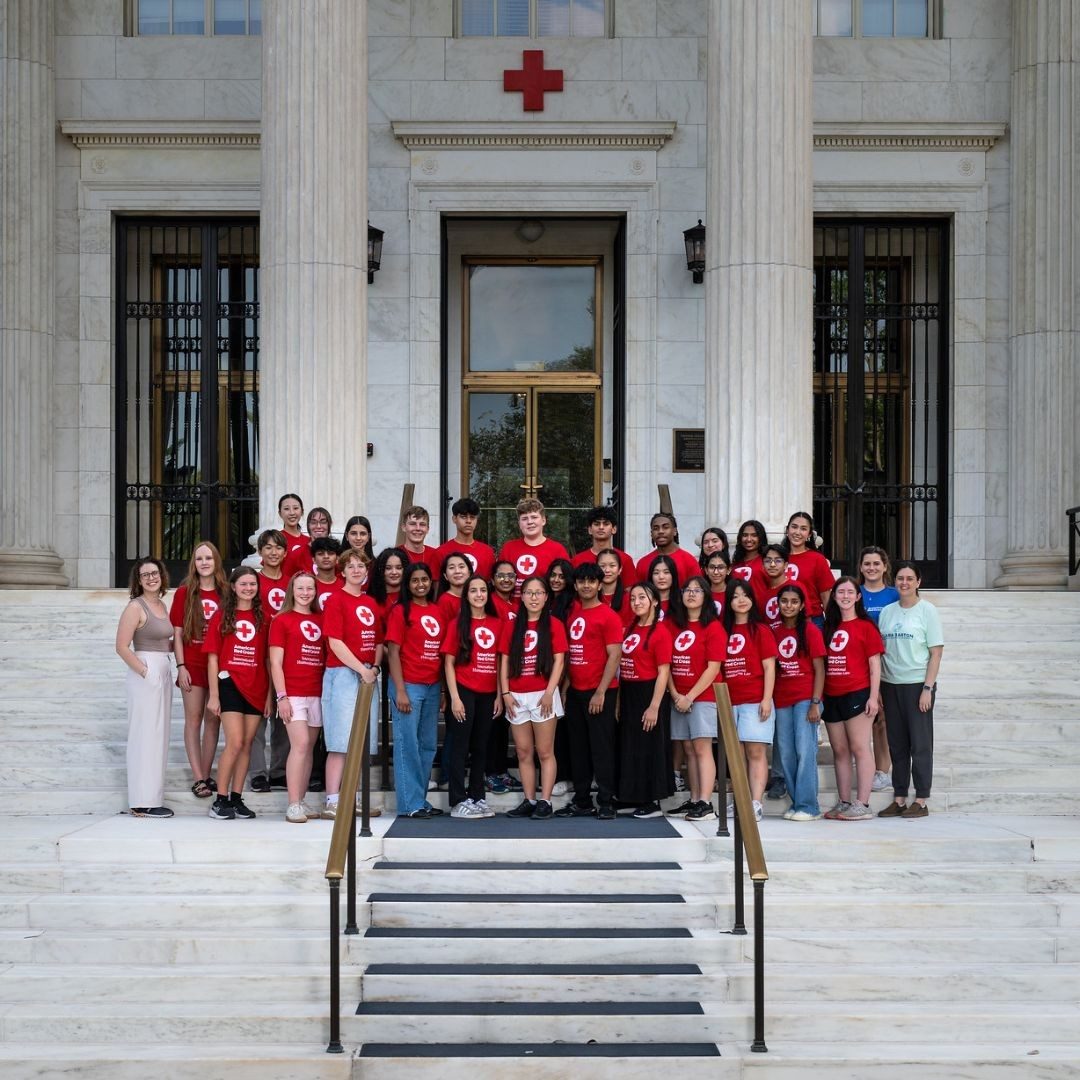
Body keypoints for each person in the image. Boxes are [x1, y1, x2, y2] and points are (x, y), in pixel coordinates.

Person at [554, 564, 623, 819]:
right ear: (575, 585)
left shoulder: (608, 615)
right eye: (581, 581)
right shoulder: (573, 615)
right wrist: (566, 688)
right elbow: (571, 655)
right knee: (579, 749)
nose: (586, 585)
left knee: (601, 748)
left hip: (600, 692)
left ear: (599, 584)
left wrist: (601, 692)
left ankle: (606, 801)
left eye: (591, 581)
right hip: (576, 692)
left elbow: (615, 655)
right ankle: (582, 800)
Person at [877, 561, 944, 819]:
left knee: (920, 745)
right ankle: (900, 798)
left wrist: (928, 688)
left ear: (918, 582)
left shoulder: (927, 611)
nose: (904, 583)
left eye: (909, 578)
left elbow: (935, 652)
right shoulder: (887, 611)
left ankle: (922, 800)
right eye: (900, 578)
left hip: (917, 685)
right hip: (891, 684)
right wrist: (881, 688)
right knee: (897, 745)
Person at [320, 549, 384, 821]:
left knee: (361, 741)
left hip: (368, 675)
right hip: (343, 674)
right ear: (342, 571)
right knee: (340, 741)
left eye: (361, 565)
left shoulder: (371, 603)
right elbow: (334, 641)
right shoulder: (336, 600)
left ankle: (353, 798)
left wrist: (374, 668)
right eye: (352, 566)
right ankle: (333, 800)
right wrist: (361, 669)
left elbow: (379, 641)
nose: (357, 570)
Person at [205, 567, 271, 821]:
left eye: (252, 584)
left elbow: (267, 659)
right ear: (233, 587)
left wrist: (268, 696)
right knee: (234, 742)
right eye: (243, 584)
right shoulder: (222, 616)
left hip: (257, 686)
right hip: (230, 683)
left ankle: (236, 797)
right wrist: (214, 695)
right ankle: (219, 801)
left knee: (246, 744)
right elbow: (213, 658)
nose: (248, 588)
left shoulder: (264, 618)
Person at [498, 576, 567, 819]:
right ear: (522, 596)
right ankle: (529, 799)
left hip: (543, 695)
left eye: (539, 593)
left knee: (545, 751)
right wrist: (505, 692)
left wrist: (550, 691)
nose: (534, 597)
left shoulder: (554, 624)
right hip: (517, 695)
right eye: (529, 593)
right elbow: (504, 660)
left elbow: (559, 660)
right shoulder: (513, 626)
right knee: (523, 752)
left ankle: (545, 801)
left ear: (546, 597)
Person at [385, 562, 446, 819]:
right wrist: (400, 690)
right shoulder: (401, 611)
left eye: (424, 579)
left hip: (432, 686)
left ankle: (420, 800)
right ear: (407, 585)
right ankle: (409, 804)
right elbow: (393, 652)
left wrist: (442, 690)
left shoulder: (437, 610)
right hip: (408, 685)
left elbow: (443, 653)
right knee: (406, 744)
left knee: (428, 745)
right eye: (415, 580)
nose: (420, 584)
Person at [115, 557, 175, 818]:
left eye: (154, 573)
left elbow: (165, 641)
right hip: (146, 670)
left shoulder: (161, 604)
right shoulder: (135, 607)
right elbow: (121, 646)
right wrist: (144, 671)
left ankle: (152, 798)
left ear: (162, 575)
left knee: (158, 736)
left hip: (163, 667)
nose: (151, 578)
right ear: (138, 581)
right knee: (144, 735)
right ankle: (140, 801)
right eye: (145, 575)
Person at [820, 576, 884, 821]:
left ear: (858, 597)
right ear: (834, 597)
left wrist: (873, 697)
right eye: (840, 592)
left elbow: (874, 664)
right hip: (832, 694)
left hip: (857, 692)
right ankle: (844, 801)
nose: (845, 596)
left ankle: (863, 803)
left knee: (859, 747)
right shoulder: (829, 626)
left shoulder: (866, 626)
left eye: (850, 592)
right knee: (840, 750)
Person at [666, 576, 727, 822]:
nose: (691, 594)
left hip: (703, 696)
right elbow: (666, 664)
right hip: (678, 696)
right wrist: (675, 694)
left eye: (697, 590)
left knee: (702, 749)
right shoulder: (673, 625)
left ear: (706, 596)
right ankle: (693, 799)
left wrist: (689, 696)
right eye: (687, 590)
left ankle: (705, 803)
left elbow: (713, 669)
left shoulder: (713, 627)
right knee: (688, 749)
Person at [170, 541, 227, 799]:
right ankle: (198, 778)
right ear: (194, 563)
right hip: (192, 663)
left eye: (209, 558)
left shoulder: (226, 592)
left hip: (217, 667)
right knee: (194, 721)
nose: (204, 563)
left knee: (213, 721)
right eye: (199, 558)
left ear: (216, 562)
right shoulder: (184, 593)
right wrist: (180, 666)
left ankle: (206, 773)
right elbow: (178, 632)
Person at [443, 575, 503, 819]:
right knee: (460, 747)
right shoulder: (457, 624)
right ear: (466, 596)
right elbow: (448, 662)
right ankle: (458, 801)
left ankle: (477, 796)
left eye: (483, 591)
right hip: (464, 691)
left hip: (488, 694)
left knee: (481, 747)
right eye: (473, 591)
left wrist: (500, 695)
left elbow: (500, 662)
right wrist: (454, 697)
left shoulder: (497, 624)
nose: (479, 595)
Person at [269, 572, 326, 824]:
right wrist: (281, 697)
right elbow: (275, 662)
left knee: (309, 748)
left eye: (310, 588)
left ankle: (301, 800)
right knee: (300, 744)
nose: (305, 592)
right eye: (300, 588)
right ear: (292, 590)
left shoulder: (321, 619)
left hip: (318, 692)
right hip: (292, 693)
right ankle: (292, 804)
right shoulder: (282, 621)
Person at [722, 579, 778, 822]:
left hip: (755, 700)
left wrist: (766, 699)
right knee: (737, 754)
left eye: (745, 595)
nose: (741, 600)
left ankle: (755, 803)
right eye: (735, 596)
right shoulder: (723, 630)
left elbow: (769, 667)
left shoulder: (761, 630)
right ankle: (741, 801)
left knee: (756, 752)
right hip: (729, 702)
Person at [617, 582, 674, 818]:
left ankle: (653, 801)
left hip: (649, 692)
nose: (637, 602)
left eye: (643, 597)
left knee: (650, 747)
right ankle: (633, 796)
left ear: (655, 602)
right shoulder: (630, 627)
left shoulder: (661, 631)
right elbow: (621, 667)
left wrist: (654, 706)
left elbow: (664, 671)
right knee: (631, 747)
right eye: (633, 599)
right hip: (629, 691)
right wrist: (620, 700)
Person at [771, 585, 826, 821]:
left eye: (794, 601)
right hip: (782, 699)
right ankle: (796, 802)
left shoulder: (811, 630)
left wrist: (815, 702)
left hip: (806, 698)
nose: (789, 605)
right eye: (784, 601)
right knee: (786, 754)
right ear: (778, 604)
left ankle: (809, 805)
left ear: (802, 605)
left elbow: (819, 669)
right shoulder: (774, 631)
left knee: (805, 750)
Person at [249, 528, 289, 793]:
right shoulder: (254, 581)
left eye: (278, 548)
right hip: (257, 655)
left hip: (286, 655)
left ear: (285, 552)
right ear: (260, 552)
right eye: (268, 548)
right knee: (258, 714)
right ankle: (258, 772)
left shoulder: (291, 582)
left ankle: (279, 770)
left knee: (284, 715)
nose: (273, 553)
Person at [858, 544, 900, 792]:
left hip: (889, 663)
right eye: (867, 564)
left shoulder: (895, 595)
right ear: (861, 567)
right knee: (868, 718)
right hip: (860, 665)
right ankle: (867, 765)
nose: (871, 568)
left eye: (876, 563)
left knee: (883, 720)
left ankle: (882, 771)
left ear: (885, 566)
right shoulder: (856, 592)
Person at [498, 497, 571, 596]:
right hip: (513, 608)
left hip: (547, 608)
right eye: (524, 518)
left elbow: (566, 584)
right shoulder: (508, 548)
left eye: (534, 517)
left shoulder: (557, 550)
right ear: (519, 524)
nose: (529, 522)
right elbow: (499, 582)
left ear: (544, 520)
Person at [782, 512, 833, 627]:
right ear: (787, 530)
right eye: (794, 527)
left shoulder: (817, 559)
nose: (797, 532)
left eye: (803, 529)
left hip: (813, 621)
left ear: (809, 534)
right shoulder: (777, 559)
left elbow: (826, 597)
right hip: (782, 621)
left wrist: (831, 625)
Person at [571, 506, 636, 587]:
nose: (601, 527)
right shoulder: (577, 561)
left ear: (614, 529)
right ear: (590, 529)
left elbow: (629, 592)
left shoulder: (626, 560)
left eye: (606, 524)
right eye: (597, 524)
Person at [437, 497, 496, 581]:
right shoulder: (441, 552)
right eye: (463, 517)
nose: (468, 521)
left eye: (472, 517)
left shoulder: (487, 552)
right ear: (454, 519)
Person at [634, 512, 699, 585]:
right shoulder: (643, 563)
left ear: (675, 531)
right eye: (656, 528)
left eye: (665, 527)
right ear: (651, 533)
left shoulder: (689, 561)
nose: (660, 531)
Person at [282, 506, 334, 578]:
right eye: (313, 522)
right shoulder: (296, 555)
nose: (318, 526)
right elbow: (286, 582)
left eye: (323, 522)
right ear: (308, 526)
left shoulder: (337, 553)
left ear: (330, 524)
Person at [368, 546, 407, 613]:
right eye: (388, 568)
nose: (394, 572)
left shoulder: (412, 598)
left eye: (399, 568)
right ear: (380, 570)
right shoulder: (371, 599)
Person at [311, 537, 344, 612]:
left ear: (338, 559)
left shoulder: (345, 586)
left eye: (330, 553)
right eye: (320, 554)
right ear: (314, 560)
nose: (326, 556)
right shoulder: (308, 585)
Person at [731, 520, 768, 585]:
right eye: (745, 535)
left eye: (754, 535)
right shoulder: (736, 563)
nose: (749, 539)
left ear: (761, 538)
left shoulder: (767, 561)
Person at [276, 493, 308, 564]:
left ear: (302, 511)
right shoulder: (275, 539)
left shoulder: (309, 541)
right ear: (280, 513)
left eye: (296, 508)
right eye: (286, 509)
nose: (292, 513)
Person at [704, 550, 730, 616]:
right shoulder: (701, 594)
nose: (716, 572)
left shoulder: (734, 594)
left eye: (721, 567)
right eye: (712, 567)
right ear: (706, 570)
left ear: (728, 570)